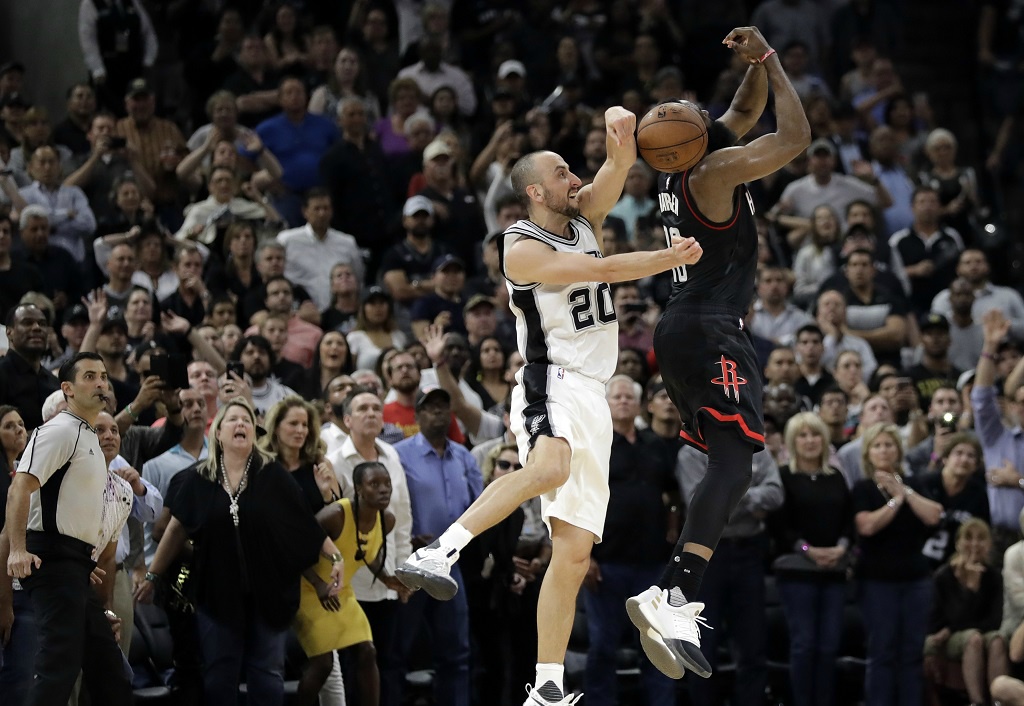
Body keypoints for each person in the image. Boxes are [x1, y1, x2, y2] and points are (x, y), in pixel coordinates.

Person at [394, 99, 704, 704]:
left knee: (573, 551)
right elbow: (606, 268)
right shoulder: (520, 246)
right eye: (562, 172)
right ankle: (439, 552)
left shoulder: (583, 214)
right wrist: (666, 259)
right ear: (536, 191)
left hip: (593, 393)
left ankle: (547, 687)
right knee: (549, 466)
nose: (574, 178)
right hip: (550, 378)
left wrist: (621, 133)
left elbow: (615, 170)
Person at [622, 25, 811, 682]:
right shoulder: (714, 168)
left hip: (681, 326)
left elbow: (743, 113)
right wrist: (775, 61)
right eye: (686, 113)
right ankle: (673, 595)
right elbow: (793, 139)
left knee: (727, 465)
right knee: (733, 467)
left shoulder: (685, 164)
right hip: (710, 328)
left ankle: (678, 596)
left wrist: (754, 61)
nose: (700, 111)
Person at [137, 397, 344, 706]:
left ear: (254, 433)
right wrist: (153, 575)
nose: (241, 424)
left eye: (246, 420)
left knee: (267, 675)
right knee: (220, 675)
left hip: (269, 594)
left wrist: (335, 557)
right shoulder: (198, 478)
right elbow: (175, 529)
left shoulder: (273, 476)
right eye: (232, 419)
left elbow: (303, 527)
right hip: (216, 594)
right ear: (218, 433)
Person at [4, 352, 132, 706]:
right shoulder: (59, 429)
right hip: (51, 559)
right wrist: (18, 548)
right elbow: (20, 488)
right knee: (59, 665)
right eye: (89, 376)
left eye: (104, 376)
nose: (101, 383)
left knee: (109, 669)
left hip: (72, 562)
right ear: (68, 389)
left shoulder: (87, 434)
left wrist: (81, 560)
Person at [852, 422, 943, 706]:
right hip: (878, 581)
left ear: (898, 450)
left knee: (912, 651)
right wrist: (894, 502)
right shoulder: (863, 488)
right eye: (877, 445)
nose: (884, 450)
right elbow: (867, 526)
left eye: (889, 444)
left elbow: (934, 515)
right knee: (882, 651)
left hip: (916, 579)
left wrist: (904, 492)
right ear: (868, 453)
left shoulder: (915, 483)